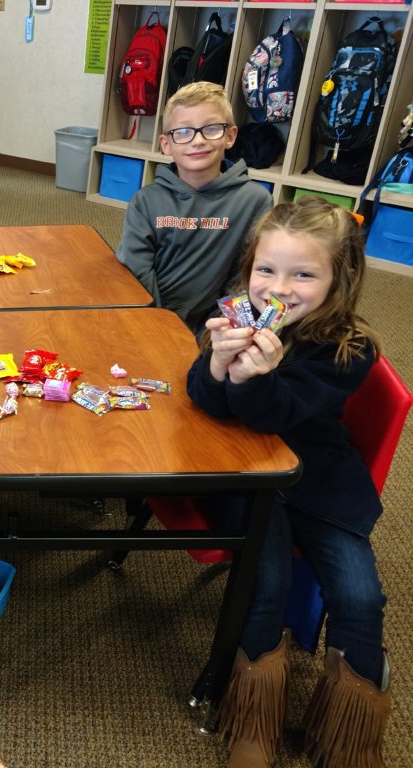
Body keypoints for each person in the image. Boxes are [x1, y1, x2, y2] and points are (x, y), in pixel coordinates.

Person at [186, 197, 390, 768]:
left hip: (321, 484)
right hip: (249, 478)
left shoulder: (350, 348)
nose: (278, 289)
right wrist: (217, 366)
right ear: (248, 268)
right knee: (265, 582)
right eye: (266, 270)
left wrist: (254, 379)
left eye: (303, 274)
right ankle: (254, 718)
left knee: (361, 597)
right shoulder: (235, 318)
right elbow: (204, 400)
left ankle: (351, 735)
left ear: (340, 279)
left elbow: (277, 412)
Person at [116, 82, 272, 335]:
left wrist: (219, 329)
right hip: (151, 318)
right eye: (183, 132)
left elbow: (245, 276)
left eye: (211, 129)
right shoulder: (145, 201)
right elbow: (136, 270)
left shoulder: (255, 201)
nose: (198, 141)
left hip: (214, 327)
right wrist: (160, 323)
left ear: (230, 136)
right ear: (166, 144)